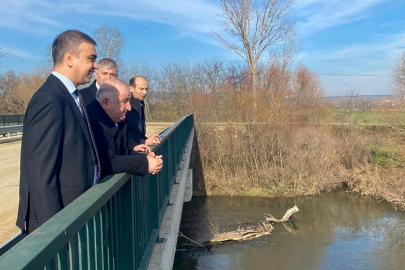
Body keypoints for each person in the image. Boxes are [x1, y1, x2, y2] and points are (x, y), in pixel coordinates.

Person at [17, 30, 99, 233]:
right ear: (69, 58)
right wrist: (54, 232)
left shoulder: (72, 96)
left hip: (75, 212)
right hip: (61, 219)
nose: (95, 65)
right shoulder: (50, 98)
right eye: (91, 58)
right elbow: (39, 172)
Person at [86, 78, 163, 178]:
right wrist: (145, 163)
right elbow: (107, 162)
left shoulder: (116, 119)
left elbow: (123, 151)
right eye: (124, 101)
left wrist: (145, 158)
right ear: (105, 103)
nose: (129, 107)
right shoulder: (93, 122)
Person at [126, 76, 161, 150]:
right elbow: (125, 134)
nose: (145, 92)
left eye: (146, 89)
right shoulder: (126, 106)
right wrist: (143, 142)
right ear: (131, 88)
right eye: (141, 89)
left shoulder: (140, 104)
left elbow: (138, 131)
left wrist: (147, 139)